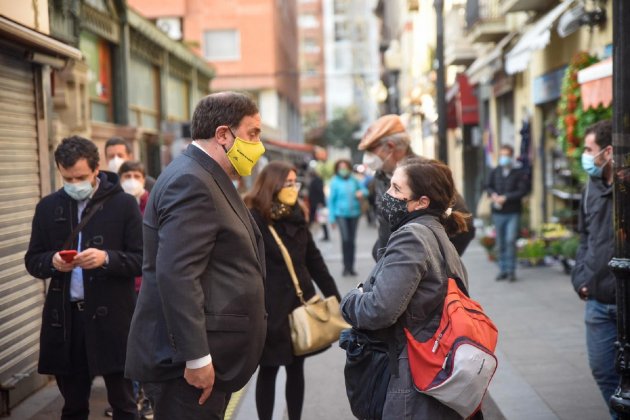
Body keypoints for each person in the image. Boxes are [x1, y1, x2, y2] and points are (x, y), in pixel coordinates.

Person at [125, 91, 267, 420]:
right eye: (253, 134)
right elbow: (177, 274)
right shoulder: (192, 181)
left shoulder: (205, 176)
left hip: (206, 358)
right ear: (223, 134)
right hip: (186, 367)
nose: (258, 146)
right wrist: (197, 358)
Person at [341, 157, 470, 419]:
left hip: (409, 375)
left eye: (397, 190)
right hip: (431, 365)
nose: (388, 195)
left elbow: (379, 309)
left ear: (422, 202)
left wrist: (352, 298)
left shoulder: (412, 236)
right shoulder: (436, 233)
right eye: (390, 186)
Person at [24, 136, 143, 420]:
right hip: (67, 321)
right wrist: (52, 262)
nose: (74, 183)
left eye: (80, 177)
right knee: (73, 406)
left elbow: (144, 260)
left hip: (114, 319)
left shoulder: (124, 205)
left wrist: (107, 259)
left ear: (96, 169)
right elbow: (32, 260)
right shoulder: (48, 207)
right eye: (68, 178)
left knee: (124, 404)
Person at [244, 161, 341, 420]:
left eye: (294, 183)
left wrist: (335, 298)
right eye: (287, 183)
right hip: (269, 306)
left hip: (299, 302)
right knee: (269, 368)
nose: (292, 188)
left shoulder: (296, 213)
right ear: (272, 184)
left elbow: (314, 259)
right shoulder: (254, 218)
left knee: (297, 367)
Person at [358, 114, 475, 260]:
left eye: (371, 150)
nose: (367, 156)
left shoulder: (427, 173)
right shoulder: (381, 175)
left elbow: (464, 224)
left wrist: (436, 263)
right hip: (390, 267)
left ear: (390, 147)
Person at [571, 120, 618, 418]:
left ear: (608, 152)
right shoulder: (591, 188)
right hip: (598, 302)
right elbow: (585, 236)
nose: (585, 156)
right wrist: (580, 277)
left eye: (589, 150)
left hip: (623, 298)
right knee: (603, 373)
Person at [117, 160, 153, 419]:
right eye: (126, 175)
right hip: (124, 286)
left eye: (136, 175)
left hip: (146, 286)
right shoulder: (115, 206)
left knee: (145, 343)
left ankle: (145, 396)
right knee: (129, 345)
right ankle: (134, 396)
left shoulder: (152, 203)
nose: (131, 180)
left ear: (143, 178)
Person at [484, 144, 530, 282]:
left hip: (513, 212)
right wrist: (493, 195)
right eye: (502, 155)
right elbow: (487, 186)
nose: (504, 158)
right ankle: (503, 269)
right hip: (498, 212)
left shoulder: (519, 173)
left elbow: (523, 190)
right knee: (501, 242)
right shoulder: (495, 171)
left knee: (510, 240)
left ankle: (511, 270)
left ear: (511, 156)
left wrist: (507, 197)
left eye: (507, 155)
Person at [327, 159, 368, 276]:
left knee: (352, 240)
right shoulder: (334, 182)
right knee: (345, 240)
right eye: (341, 167)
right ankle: (346, 266)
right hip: (340, 215)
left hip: (355, 214)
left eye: (345, 167)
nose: (343, 170)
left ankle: (351, 267)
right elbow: (331, 201)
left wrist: (362, 193)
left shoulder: (354, 180)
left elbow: (365, 190)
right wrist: (331, 218)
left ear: (349, 168)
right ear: (337, 169)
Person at [307, 167, 329, 241]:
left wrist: (321, 202)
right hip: (315, 203)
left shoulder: (317, 180)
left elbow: (320, 192)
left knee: (321, 219)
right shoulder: (315, 180)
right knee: (313, 219)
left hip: (318, 203)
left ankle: (326, 235)